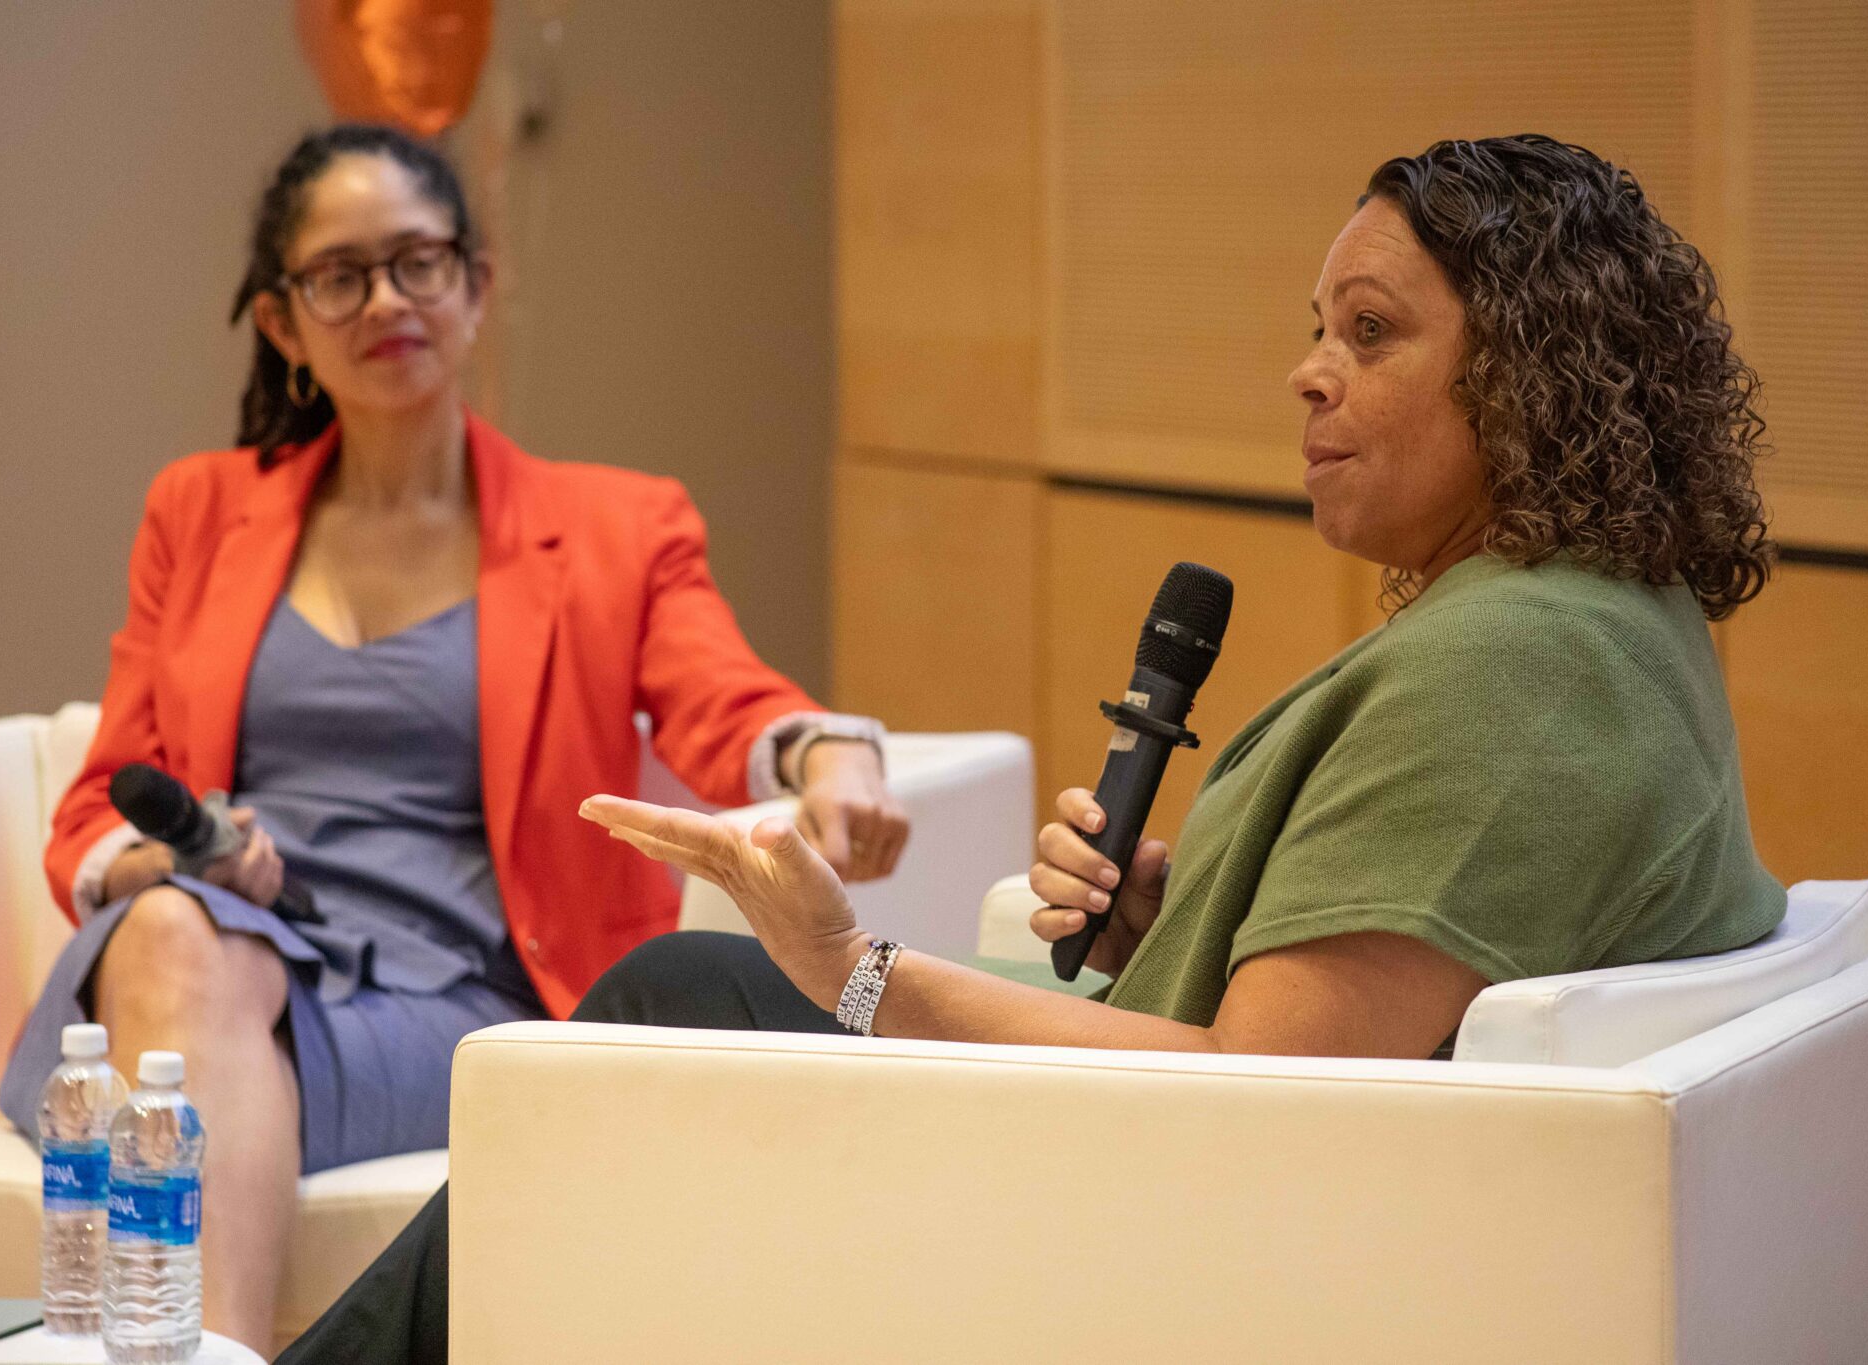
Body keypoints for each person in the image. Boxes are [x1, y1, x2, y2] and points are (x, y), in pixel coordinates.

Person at [275, 133, 1784, 1364]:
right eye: (1316, 331)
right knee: (672, 992)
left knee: (682, 986)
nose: (1310, 374)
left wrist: (858, 967)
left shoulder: (1518, 661)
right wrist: (1179, 904)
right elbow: (1401, 958)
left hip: (1138, 1216)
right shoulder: (1608, 612)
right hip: (1171, 1161)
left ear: (1526, 370)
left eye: (1370, 334)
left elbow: (1273, 1098)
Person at [0, 124, 908, 1358]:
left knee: (185, 992)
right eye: (340, 274)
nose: (385, 300)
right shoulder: (198, 511)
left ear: (479, 284)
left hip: (456, 1000)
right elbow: (102, 799)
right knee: (173, 935)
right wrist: (189, 865)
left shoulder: (615, 525)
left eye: (418, 261)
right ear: (282, 322)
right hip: (217, 952)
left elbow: (728, 700)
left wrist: (827, 756)